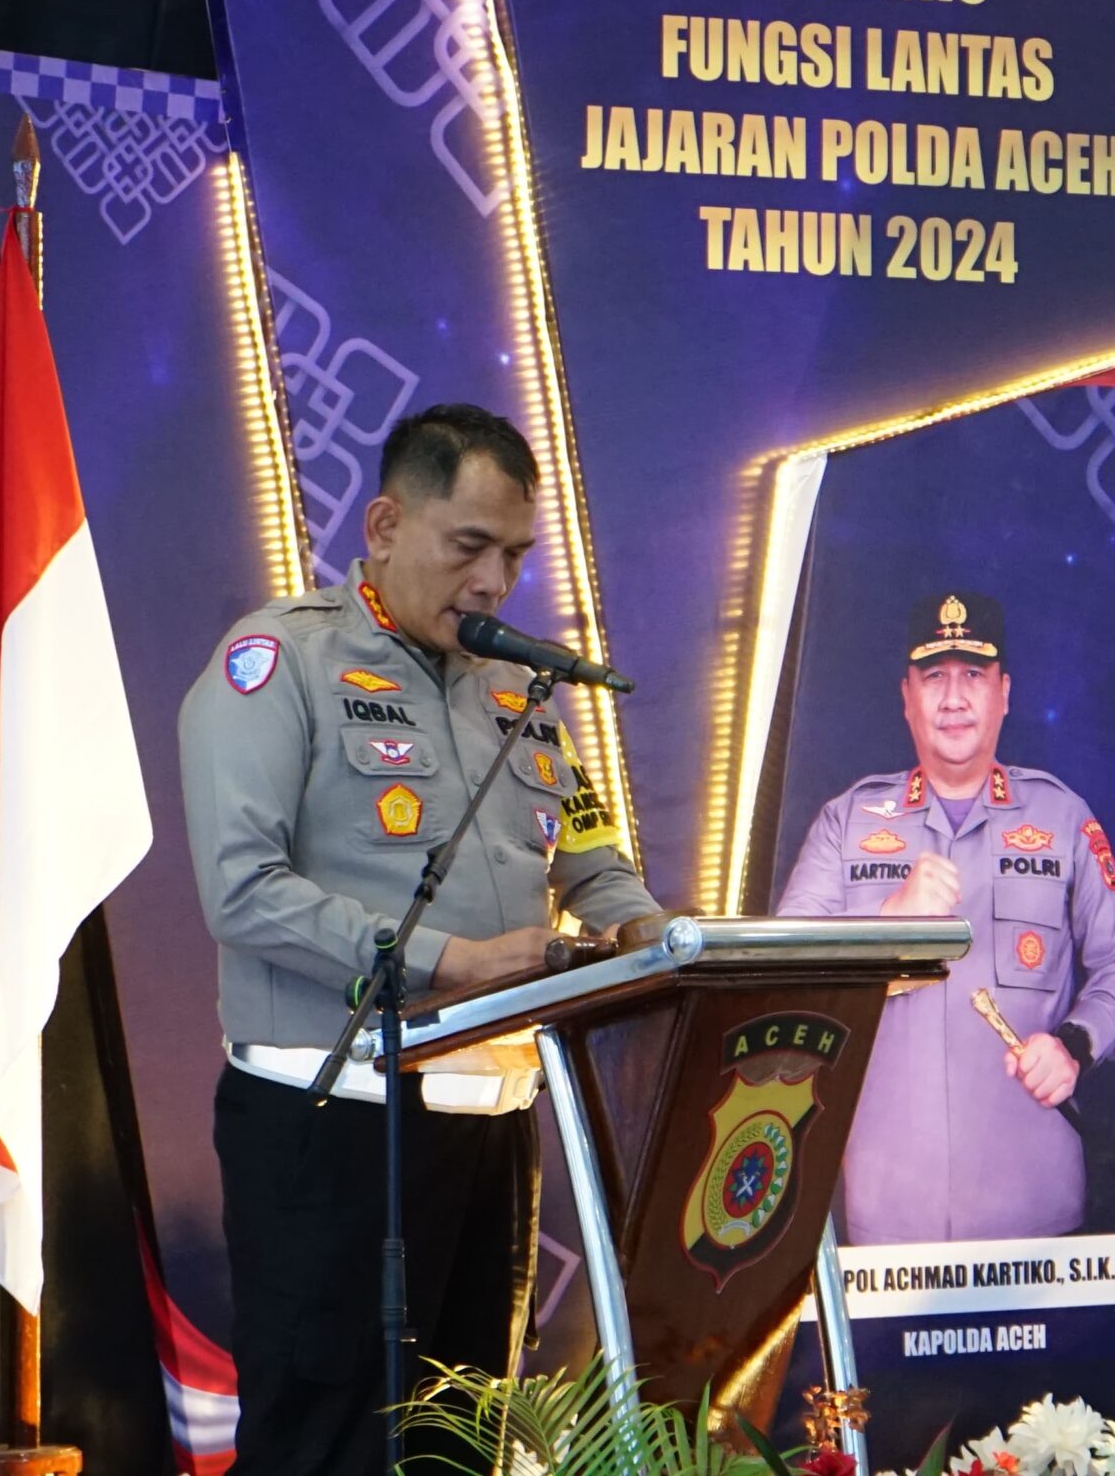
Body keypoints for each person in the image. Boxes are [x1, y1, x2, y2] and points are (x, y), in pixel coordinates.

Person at [177, 403, 662, 1476]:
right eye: (469, 546)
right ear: (387, 524)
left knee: (463, 1451)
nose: (493, 582)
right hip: (337, 1123)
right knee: (330, 1451)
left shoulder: (522, 690)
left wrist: (652, 930)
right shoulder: (280, 662)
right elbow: (242, 890)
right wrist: (455, 962)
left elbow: (593, 860)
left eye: (515, 556)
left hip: (493, 1131)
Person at [773, 591, 1115, 1244]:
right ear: (906, 696)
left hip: (1035, 1208)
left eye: (973, 674)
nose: (953, 698)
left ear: (1004, 692)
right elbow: (784, 978)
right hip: (888, 1213)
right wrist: (888, 921)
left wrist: (1075, 1043)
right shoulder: (846, 822)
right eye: (934, 677)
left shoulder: (1062, 816)